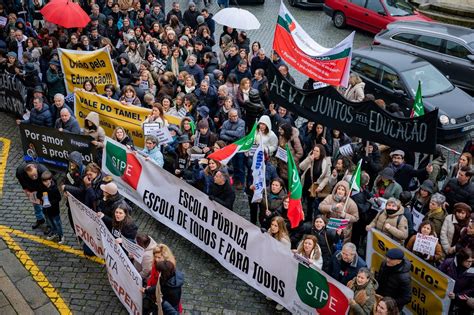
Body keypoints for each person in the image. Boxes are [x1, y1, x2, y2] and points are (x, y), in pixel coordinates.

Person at [300, 144, 332, 222]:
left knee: (315, 205)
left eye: (317, 151)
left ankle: (315, 220)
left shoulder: (326, 161)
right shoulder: (310, 158)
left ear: (321, 152)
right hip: (307, 185)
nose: (315, 152)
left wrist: (320, 186)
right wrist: (309, 159)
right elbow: (301, 167)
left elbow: (327, 177)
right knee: (307, 204)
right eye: (314, 150)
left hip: (317, 187)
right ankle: (307, 219)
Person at [439, 248, 474, 315]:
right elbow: (439, 274)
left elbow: (471, 290)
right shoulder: (449, 263)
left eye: (471, 261)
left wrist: (457, 296)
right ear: (461, 260)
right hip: (443, 295)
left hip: (460, 304)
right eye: (467, 261)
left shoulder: (472, 272)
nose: (470, 264)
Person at [16, 162, 49, 229]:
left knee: (46, 207)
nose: (34, 177)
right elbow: (21, 181)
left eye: (35, 175)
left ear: (36, 168)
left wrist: (45, 197)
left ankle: (49, 225)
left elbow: (50, 184)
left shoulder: (44, 171)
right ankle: (40, 219)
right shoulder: (20, 172)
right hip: (32, 190)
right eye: (31, 176)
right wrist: (26, 191)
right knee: (35, 205)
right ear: (26, 173)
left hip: (43, 190)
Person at [36, 170, 64, 244]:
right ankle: (54, 232)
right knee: (50, 222)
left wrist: (50, 203)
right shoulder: (41, 187)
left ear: (51, 180)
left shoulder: (54, 188)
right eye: (44, 182)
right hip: (46, 210)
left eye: (47, 182)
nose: (46, 184)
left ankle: (61, 235)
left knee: (57, 223)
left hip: (54, 210)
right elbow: (38, 194)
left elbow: (59, 198)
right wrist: (40, 197)